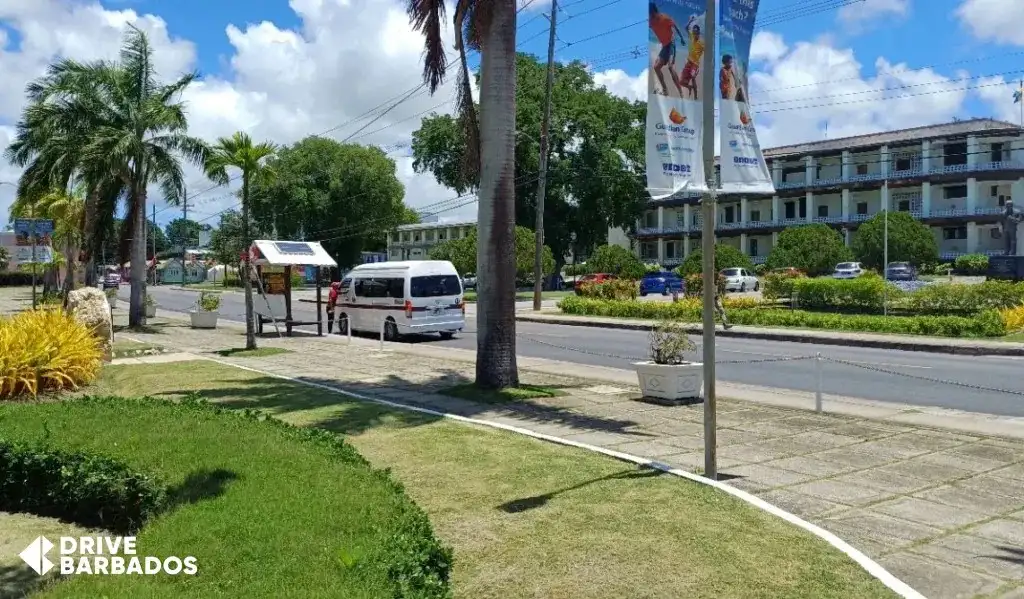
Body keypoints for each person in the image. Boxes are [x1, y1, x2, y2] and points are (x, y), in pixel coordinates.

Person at [648, 3, 686, 97]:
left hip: (671, 44)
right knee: (656, 67)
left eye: (650, 14)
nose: (650, 17)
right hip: (664, 47)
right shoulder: (650, 22)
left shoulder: (665, 18)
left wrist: (681, 38)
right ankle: (665, 90)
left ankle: (681, 92)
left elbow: (676, 27)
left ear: (653, 12)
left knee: (670, 67)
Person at [678, 15, 704, 100]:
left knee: (693, 76)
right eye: (693, 32)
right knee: (681, 82)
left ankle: (696, 96)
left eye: (696, 32)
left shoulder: (702, 43)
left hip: (695, 64)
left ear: (699, 33)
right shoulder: (692, 37)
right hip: (688, 63)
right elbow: (685, 28)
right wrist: (690, 21)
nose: (694, 34)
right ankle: (690, 87)